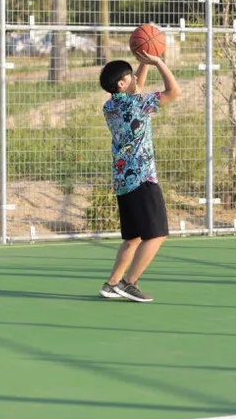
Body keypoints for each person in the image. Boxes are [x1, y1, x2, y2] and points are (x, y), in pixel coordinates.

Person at [97, 50, 181, 302]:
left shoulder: (110, 106)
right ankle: (129, 282)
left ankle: (112, 284)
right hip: (142, 178)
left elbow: (137, 86)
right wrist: (158, 62)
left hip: (123, 180)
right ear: (122, 84)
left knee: (132, 239)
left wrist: (143, 64)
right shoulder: (138, 104)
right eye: (130, 76)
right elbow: (173, 92)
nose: (135, 78)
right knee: (157, 234)